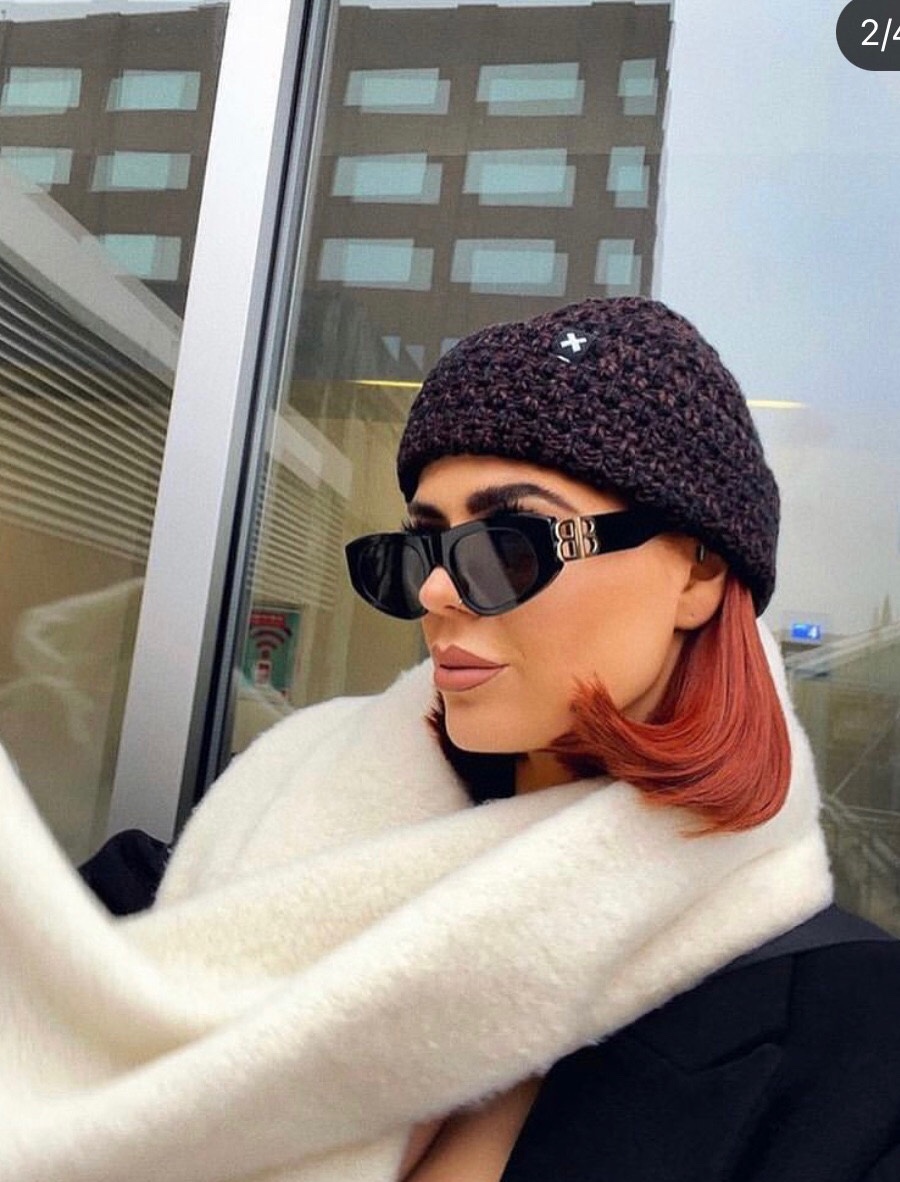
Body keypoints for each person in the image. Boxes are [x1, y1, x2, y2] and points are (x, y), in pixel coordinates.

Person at [1, 297, 898, 1182]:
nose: (435, 594)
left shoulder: (853, 1040)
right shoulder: (264, 818)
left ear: (698, 572)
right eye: (426, 547)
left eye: (511, 541)